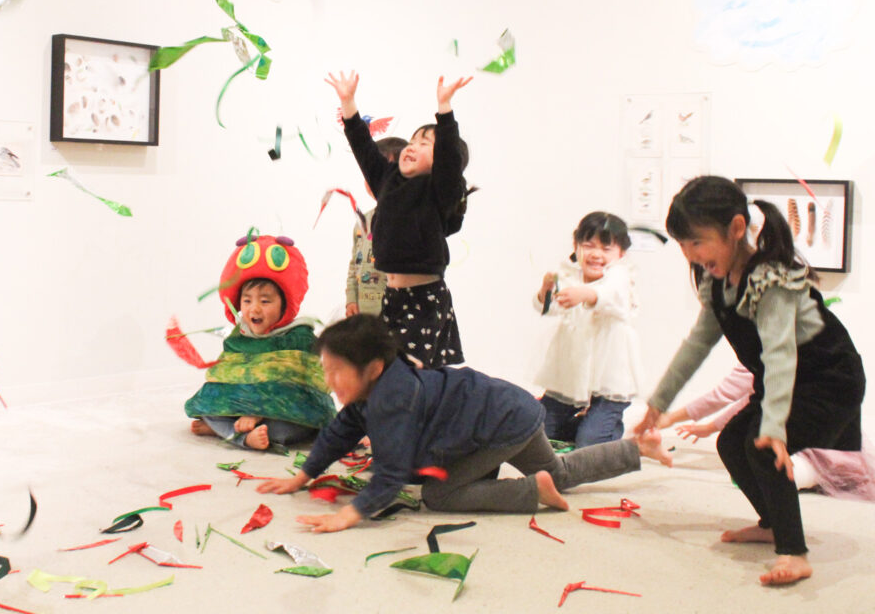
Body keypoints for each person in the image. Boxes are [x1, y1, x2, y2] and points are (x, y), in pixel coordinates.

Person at [635, 176, 865, 587]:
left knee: (761, 446)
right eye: (684, 245)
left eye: (698, 242)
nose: (691, 254)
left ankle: (794, 553)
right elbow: (697, 344)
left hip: (829, 381)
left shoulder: (772, 282)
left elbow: (781, 355)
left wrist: (773, 426)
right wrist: (659, 401)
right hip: (787, 380)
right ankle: (772, 524)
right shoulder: (717, 282)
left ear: (736, 229)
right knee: (730, 443)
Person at [255, 314, 671, 531]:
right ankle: (637, 448)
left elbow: (392, 472)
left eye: (337, 371)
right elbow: (341, 431)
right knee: (559, 472)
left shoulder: (392, 401)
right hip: (510, 410)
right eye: (326, 370)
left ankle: (531, 491)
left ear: (373, 368)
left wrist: (351, 514)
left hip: (499, 426)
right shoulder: (378, 387)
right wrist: (304, 475)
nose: (330, 381)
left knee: (440, 495)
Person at [326, 71, 473, 368]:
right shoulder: (388, 181)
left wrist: (444, 109)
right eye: (413, 140)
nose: (412, 146)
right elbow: (363, 148)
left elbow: (448, 161)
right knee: (386, 366)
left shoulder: (439, 191)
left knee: (408, 370)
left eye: (425, 144)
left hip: (424, 299)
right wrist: (348, 103)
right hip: (392, 296)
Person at [185, 233, 336, 450]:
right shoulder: (239, 339)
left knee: (286, 429)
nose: (254, 309)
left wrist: (258, 412)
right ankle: (239, 435)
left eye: (265, 301)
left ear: (284, 305)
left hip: (285, 414)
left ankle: (228, 432)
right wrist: (245, 407)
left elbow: (304, 387)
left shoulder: (298, 338)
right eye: (247, 301)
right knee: (211, 409)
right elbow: (226, 381)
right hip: (242, 412)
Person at [657, 364, 875, 501]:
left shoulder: (766, 344)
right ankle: (806, 474)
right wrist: (709, 426)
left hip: (813, 434)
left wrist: (674, 418)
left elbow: (728, 395)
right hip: (819, 430)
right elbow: (748, 398)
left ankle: (806, 475)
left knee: (774, 471)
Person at [534, 211, 644, 447]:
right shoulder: (569, 273)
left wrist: (585, 294)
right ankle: (582, 423)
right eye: (588, 246)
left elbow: (611, 294)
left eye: (606, 249)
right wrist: (546, 291)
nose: (596, 254)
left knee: (590, 443)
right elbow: (549, 308)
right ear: (576, 246)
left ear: (621, 253)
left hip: (609, 380)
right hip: (570, 374)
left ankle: (606, 428)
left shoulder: (621, 275)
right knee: (538, 432)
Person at [345, 136, 407, 318]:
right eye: (371, 172)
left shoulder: (408, 219)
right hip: (363, 312)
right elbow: (354, 264)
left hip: (398, 313)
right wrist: (351, 298)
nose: (374, 178)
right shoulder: (363, 221)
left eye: (383, 173)